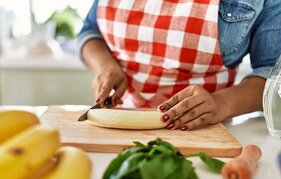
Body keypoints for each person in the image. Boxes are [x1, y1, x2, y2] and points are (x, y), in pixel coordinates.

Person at [77, 0, 281, 130]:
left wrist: (221, 103)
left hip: (206, 129)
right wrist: (105, 66)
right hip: (118, 120)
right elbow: (90, 31)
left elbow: (272, 74)